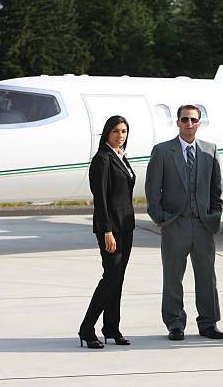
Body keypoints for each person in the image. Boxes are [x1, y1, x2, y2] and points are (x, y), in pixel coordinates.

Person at [145, 105, 223, 341]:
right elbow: (152, 190)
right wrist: (161, 219)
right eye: (185, 119)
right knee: (172, 277)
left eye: (193, 120)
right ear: (177, 122)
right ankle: (175, 323)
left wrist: (213, 217)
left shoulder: (210, 150)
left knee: (207, 276)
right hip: (174, 224)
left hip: (202, 225)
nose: (189, 123)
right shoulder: (162, 151)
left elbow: (215, 190)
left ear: (199, 123)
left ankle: (209, 323)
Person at [79, 115, 135, 349]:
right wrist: (107, 231)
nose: (120, 136)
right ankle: (86, 328)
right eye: (115, 132)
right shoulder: (102, 159)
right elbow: (100, 199)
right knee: (110, 277)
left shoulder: (120, 157)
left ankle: (112, 327)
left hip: (127, 225)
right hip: (111, 229)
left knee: (118, 279)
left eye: (123, 132)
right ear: (106, 133)